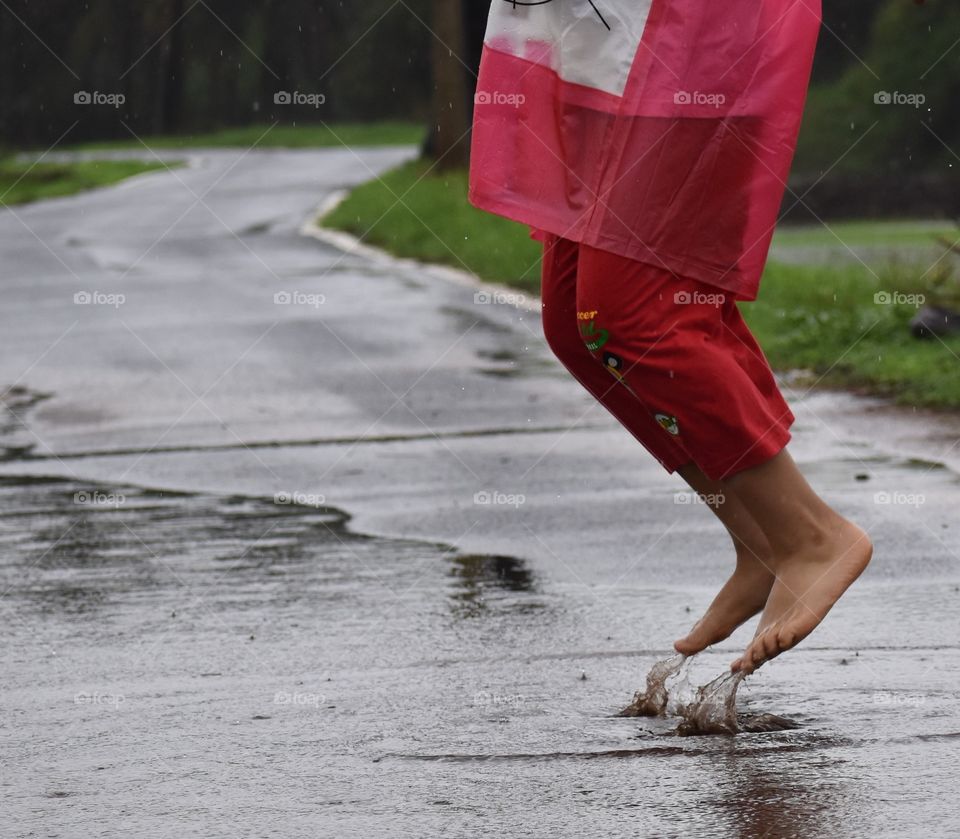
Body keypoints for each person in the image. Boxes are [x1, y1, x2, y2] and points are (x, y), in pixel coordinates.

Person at [468, 0, 872, 673]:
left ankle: (812, 531)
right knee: (574, 325)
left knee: (633, 313)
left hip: (688, 36)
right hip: (602, 43)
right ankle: (759, 535)